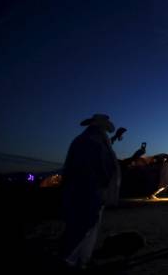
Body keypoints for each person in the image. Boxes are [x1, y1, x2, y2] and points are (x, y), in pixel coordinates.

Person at [62, 114, 119, 269]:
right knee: (84, 226)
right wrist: (104, 184)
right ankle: (72, 259)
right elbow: (100, 166)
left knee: (87, 226)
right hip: (89, 190)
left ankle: (81, 259)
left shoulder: (87, 140)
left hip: (87, 190)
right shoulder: (92, 141)